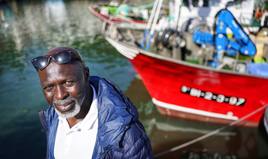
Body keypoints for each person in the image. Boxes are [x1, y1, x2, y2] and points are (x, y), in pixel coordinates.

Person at [31, 47, 153, 159]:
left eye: (68, 83)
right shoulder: (53, 116)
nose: (59, 95)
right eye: (49, 87)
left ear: (86, 75)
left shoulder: (125, 136)